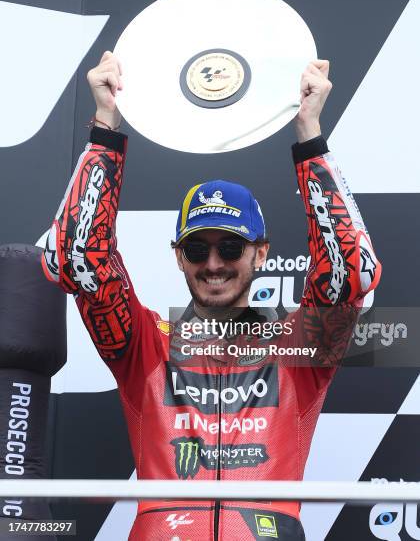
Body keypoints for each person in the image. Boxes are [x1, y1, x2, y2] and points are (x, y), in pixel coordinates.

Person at [42, 51, 381, 540]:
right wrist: (105, 128)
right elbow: (77, 256)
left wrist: (310, 136)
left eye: (231, 246)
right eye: (197, 248)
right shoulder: (144, 345)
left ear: (260, 254)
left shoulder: (298, 348)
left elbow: (351, 272)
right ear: (179, 256)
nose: (215, 263)